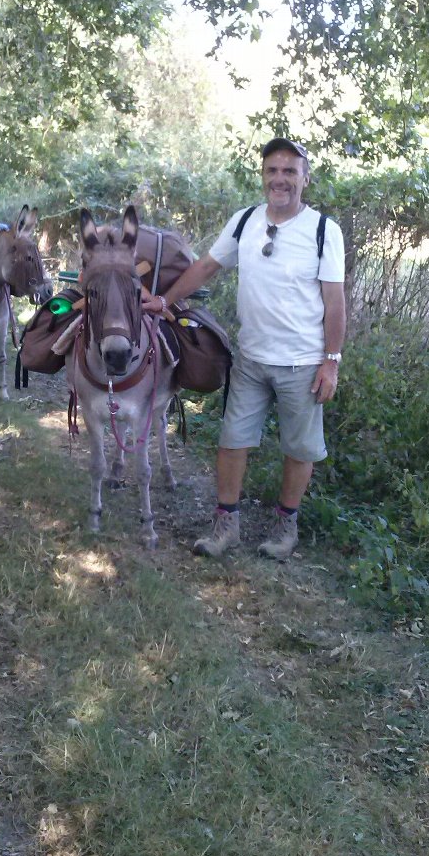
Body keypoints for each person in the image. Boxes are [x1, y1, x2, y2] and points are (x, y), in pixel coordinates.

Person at [144, 137, 346, 560]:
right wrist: (165, 301)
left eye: (290, 171)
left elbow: (335, 303)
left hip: (303, 364)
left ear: (305, 178)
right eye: (272, 170)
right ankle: (226, 525)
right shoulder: (245, 221)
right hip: (251, 359)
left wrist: (331, 361)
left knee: (299, 448)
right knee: (232, 440)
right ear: (263, 177)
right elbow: (206, 266)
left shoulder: (324, 231)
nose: (280, 179)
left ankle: (285, 527)